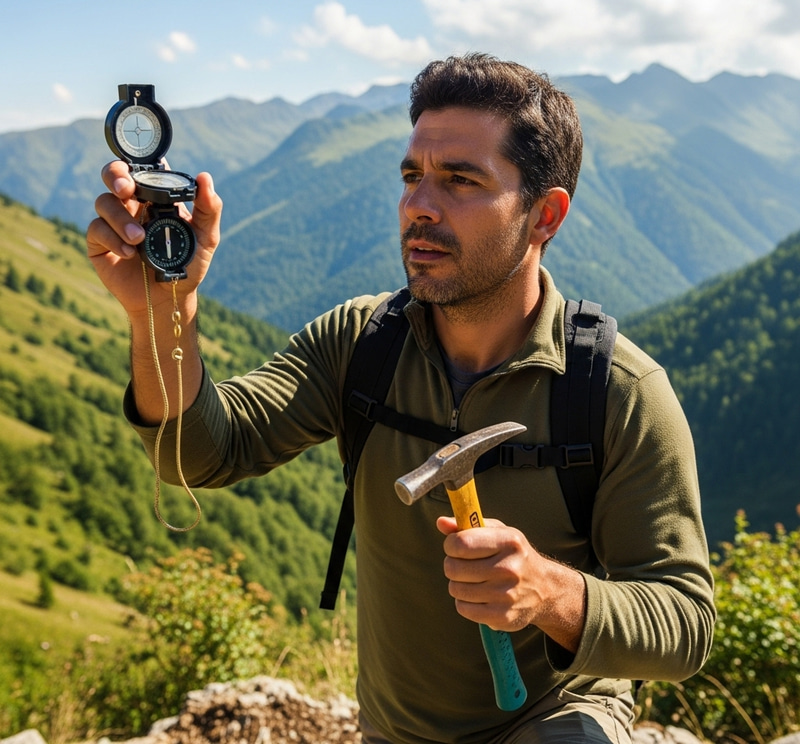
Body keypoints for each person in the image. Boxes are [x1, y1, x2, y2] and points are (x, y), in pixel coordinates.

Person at [88, 53, 715, 744]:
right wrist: (162, 313)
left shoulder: (614, 390)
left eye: (461, 180)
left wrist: (549, 591)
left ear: (544, 216)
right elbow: (202, 454)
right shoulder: (361, 344)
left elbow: (684, 626)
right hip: (397, 731)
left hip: (555, 717)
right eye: (413, 176)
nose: (420, 203)